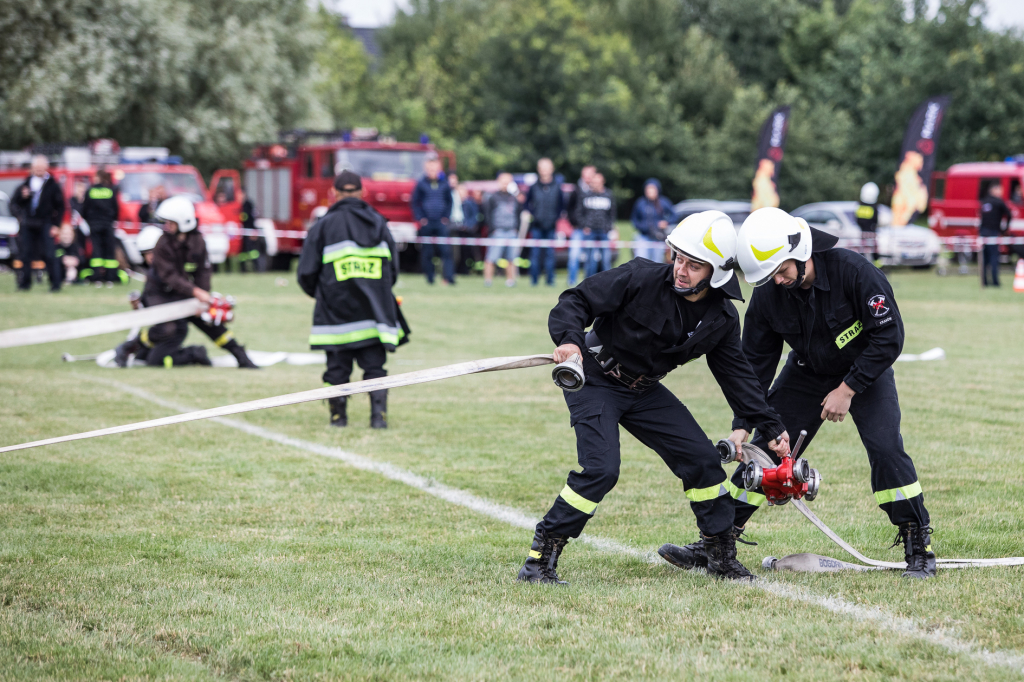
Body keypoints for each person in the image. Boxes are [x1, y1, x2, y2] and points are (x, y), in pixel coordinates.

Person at [661, 207, 937, 580]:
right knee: (763, 453)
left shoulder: (855, 273)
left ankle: (918, 548)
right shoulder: (769, 295)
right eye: (769, 275)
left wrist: (847, 389)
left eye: (780, 272)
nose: (775, 280)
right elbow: (754, 366)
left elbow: (889, 337)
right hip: (805, 372)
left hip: (865, 373)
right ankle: (717, 543)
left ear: (800, 251)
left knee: (886, 448)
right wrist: (742, 425)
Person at [518, 211, 791, 584]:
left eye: (695, 265)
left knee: (703, 461)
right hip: (596, 379)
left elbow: (739, 378)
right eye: (679, 258)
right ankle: (540, 559)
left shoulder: (722, 319)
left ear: (718, 271)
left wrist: (771, 428)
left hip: (644, 390)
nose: (681, 269)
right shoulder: (639, 276)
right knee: (601, 470)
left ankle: (720, 557)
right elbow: (576, 300)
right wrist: (568, 340)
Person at [297, 170, 410, 429]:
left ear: (334, 194)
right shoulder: (379, 223)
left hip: (336, 314)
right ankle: (378, 418)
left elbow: (305, 273)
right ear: (362, 192)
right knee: (375, 368)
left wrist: (325, 294)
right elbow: (392, 270)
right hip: (374, 314)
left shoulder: (323, 226)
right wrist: (376, 293)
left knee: (337, 371)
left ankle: (338, 418)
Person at [144, 196, 258, 369]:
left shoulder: (198, 242)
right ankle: (132, 349)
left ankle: (241, 356)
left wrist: (202, 298)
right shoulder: (162, 244)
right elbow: (170, 276)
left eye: (171, 223)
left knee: (210, 321)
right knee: (169, 329)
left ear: (183, 222)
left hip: (186, 293)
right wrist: (196, 293)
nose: (167, 226)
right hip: (163, 295)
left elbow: (203, 271)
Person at [113, 225, 212, 368]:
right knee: (144, 356)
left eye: (153, 253)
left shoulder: (172, 273)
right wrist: (140, 304)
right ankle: (133, 347)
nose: (152, 258)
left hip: (174, 328)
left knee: (155, 360)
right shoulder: (155, 275)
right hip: (161, 327)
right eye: (147, 254)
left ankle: (194, 353)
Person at [10, 154, 64, 292]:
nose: (39, 170)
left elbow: (61, 206)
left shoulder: (53, 185)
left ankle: (55, 284)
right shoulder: (25, 184)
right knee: (25, 254)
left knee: (49, 253)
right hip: (28, 223)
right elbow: (14, 203)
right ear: (32, 168)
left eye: (41, 167)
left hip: (45, 222)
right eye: (36, 167)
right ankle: (24, 284)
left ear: (46, 168)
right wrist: (21, 210)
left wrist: (56, 225)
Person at [410, 156, 455, 285]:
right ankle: (430, 278)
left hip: (441, 223)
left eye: (435, 168)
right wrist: (421, 218)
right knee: (427, 252)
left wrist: (446, 217)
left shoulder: (444, 183)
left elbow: (449, 202)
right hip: (427, 223)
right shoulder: (421, 184)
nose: (432, 171)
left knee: (445, 251)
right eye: (430, 168)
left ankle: (449, 278)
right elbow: (415, 202)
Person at [81, 168, 123, 286]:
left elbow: (84, 208)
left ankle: (97, 278)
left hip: (94, 225)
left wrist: (89, 220)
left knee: (96, 251)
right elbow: (116, 208)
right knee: (109, 251)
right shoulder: (110, 191)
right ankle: (110, 278)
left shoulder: (90, 191)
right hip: (108, 225)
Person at [525, 158, 564, 287]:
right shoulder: (533, 187)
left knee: (550, 255)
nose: (545, 171)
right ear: (538, 170)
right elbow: (527, 205)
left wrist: (555, 218)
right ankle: (534, 281)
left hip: (551, 226)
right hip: (536, 226)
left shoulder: (557, 187)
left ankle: (550, 281)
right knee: (535, 255)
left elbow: (561, 206)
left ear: (552, 169)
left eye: (547, 168)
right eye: (542, 168)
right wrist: (533, 216)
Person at [572, 172, 616, 278]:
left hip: (604, 231)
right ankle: (589, 281)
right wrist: (584, 226)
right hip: (590, 231)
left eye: (598, 182)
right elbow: (578, 212)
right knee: (590, 259)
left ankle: (608, 282)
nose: (596, 184)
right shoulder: (585, 195)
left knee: (606, 259)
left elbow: (612, 213)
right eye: (594, 182)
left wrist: (608, 227)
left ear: (603, 182)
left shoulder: (608, 195)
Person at [483, 173, 523, 287]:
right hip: (498, 231)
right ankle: (488, 281)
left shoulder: (514, 198)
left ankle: (510, 281)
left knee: (511, 258)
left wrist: (516, 229)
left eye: (508, 181)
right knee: (491, 258)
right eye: (503, 181)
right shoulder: (492, 197)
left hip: (512, 231)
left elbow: (518, 213)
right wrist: (493, 229)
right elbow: (487, 215)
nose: (505, 184)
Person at [630, 178, 675, 262]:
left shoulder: (663, 202)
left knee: (657, 263)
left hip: (658, 237)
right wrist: (643, 227)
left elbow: (674, 215)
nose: (650, 191)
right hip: (643, 236)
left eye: (652, 189)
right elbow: (634, 219)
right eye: (648, 189)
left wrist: (666, 223)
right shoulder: (640, 203)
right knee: (640, 261)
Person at [566, 165, 596, 286]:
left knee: (592, 258)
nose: (588, 177)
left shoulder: (598, 191)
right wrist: (577, 224)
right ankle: (571, 281)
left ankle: (590, 282)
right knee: (574, 257)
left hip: (593, 231)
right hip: (578, 229)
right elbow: (570, 210)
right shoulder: (576, 190)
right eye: (586, 174)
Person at [979, 182, 1010, 287]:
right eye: (1000, 190)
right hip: (992, 232)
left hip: (983, 232)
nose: (1001, 192)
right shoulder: (999, 202)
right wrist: (1004, 229)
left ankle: (985, 282)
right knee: (993, 257)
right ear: (994, 190)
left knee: (984, 258)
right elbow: (1009, 215)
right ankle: (995, 282)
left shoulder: (984, 201)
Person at [236, 188, 265, 273]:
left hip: (249, 231)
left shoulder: (248, 204)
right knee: (242, 252)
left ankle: (257, 268)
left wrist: (254, 231)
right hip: (241, 233)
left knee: (252, 251)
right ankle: (243, 269)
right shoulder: (238, 205)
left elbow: (250, 218)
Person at [855, 182, 881, 261]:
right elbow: (875, 220)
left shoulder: (859, 205)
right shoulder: (874, 207)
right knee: (874, 251)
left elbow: (857, 219)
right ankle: (878, 268)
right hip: (872, 232)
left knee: (862, 250)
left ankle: (860, 264)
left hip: (862, 232)